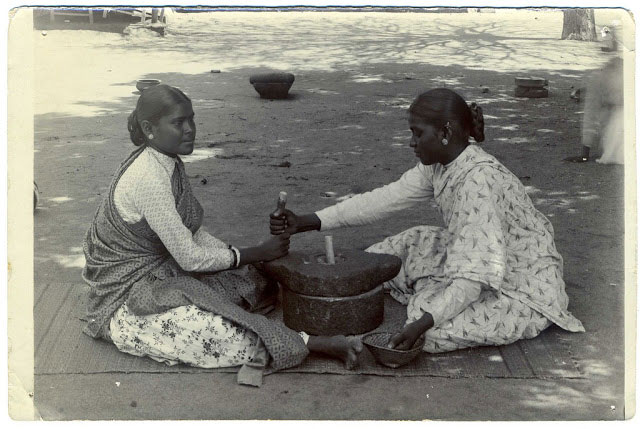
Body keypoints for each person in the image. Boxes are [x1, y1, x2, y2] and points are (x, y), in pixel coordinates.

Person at [82, 84, 361, 385]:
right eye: (178, 122)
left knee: (254, 279)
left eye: (192, 119)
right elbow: (189, 258)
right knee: (203, 329)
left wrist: (246, 257)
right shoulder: (147, 178)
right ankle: (309, 342)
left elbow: (191, 233)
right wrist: (254, 253)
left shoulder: (167, 161)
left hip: (160, 270)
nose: (190, 129)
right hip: (126, 295)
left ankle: (247, 318)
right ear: (149, 128)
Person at [271, 88, 585, 353]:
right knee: (399, 247)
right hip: (475, 251)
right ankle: (424, 297)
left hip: (519, 277)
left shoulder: (479, 181)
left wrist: (423, 322)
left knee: (429, 334)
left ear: (446, 133)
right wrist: (306, 221)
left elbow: (475, 277)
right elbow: (384, 199)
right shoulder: (439, 165)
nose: (411, 142)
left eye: (417, 133)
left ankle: (427, 312)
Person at [564, 56, 624, 164]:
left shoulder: (598, 81)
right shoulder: (598, 82)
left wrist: (584, 155)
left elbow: (590, 117)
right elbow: (590, 117)